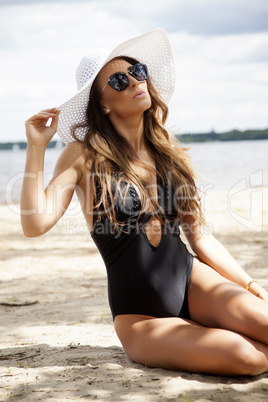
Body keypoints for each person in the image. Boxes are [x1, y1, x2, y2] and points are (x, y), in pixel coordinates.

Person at [21, 29, 268, 376]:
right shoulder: (83, 155)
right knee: (249, 359)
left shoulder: (167, 151)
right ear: (103, 103)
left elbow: (200, 238)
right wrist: (36, 149)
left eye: (138, 71)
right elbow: (35, 224)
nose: (135, 81)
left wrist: (252, 287)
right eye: (119, 80)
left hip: (192, 279)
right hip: (140, 314)